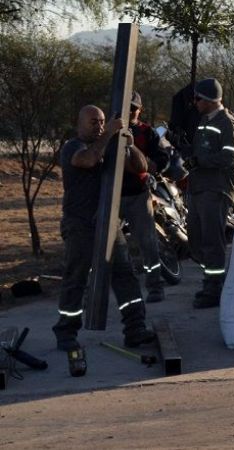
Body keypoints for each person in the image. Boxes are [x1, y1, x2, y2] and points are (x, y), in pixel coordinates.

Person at [53, 105, 156, 352]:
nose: (99, 126)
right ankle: (66, 331)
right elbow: (88, 160)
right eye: (93, 122)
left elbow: (142, 167)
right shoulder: (72, 147)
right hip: (80, 224)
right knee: (76, 278)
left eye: (101, 121)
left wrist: (129, 145)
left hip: (109, 223)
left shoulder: (108, 146)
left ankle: (135, 329)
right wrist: (109, 133)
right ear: (79, 124)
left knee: (125, 276)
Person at [184, 78, 234, 309]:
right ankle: (212, 280)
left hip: (216, 189)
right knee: (196, 238)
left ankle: (214, 289)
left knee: (212, 240)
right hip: (199, 187)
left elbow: (231, 156)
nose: (195, 102)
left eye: (198, 98)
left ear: (208, 100)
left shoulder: (227, 123)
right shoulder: (203, 120)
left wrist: (201, 160)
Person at [119, 91, 170, 303]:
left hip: (138, 195)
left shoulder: (146, 132)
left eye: (133, 107)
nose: (130, 111)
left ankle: (155, 286)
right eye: (126, 107)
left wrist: (146, 168)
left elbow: (162, 158)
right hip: (111, 197)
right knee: (104, 245)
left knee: (147, 243)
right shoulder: (109, 128)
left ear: (140, 109)